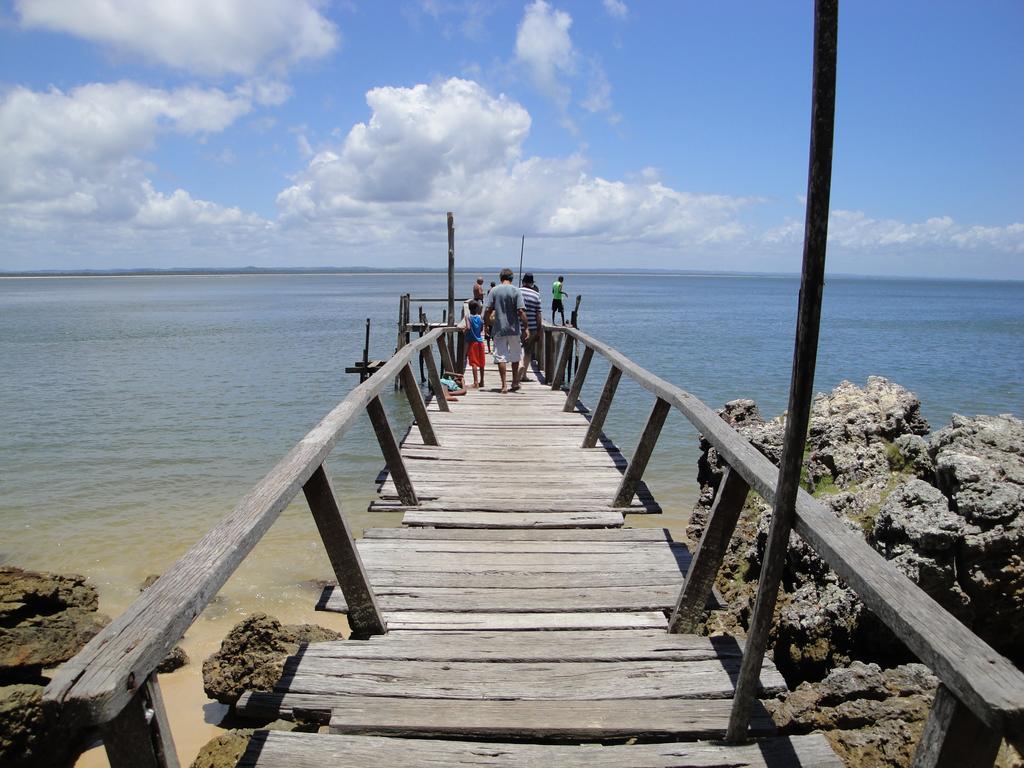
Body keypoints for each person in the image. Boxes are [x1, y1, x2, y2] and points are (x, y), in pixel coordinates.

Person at [483, 267, 529, 393]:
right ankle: (514, 382)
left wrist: (486, 325)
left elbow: (488, 310)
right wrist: (526, 327)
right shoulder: (516, 291)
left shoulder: (494, 290)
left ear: (501, 278)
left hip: (499, 329)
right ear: (511, 279)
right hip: (514, 329)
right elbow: (521, 311)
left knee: (500, 356)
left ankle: (503, 385)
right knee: (515, 356)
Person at [519, 273, 542, 382]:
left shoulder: (516, 292)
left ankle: (518, 369)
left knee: (517, 349)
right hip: (532, 328)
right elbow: (538, 314)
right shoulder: (536, 295)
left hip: (517, 327)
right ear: (532, 283)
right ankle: (523, 375)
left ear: (523, 282)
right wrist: (539, 331)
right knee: (528, 351)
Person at [460, 300, 486, 388]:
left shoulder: (468, 317)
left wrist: (464, 331)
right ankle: (482, 381)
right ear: (477, 308)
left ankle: (475, 382)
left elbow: (468, 327)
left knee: (474, 362)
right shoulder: (480, 318)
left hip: (472, 342)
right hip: (480, 342)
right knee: (482, 363)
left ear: (469, 309)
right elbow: (482, 329)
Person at [484, 281, 497, 352]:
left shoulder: (489, 290)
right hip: (494, 319)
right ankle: (494, 349)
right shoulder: (496, 290)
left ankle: (489, 350)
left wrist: (485, 325)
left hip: (489, 320)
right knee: (494, 337)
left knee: (488, 337)